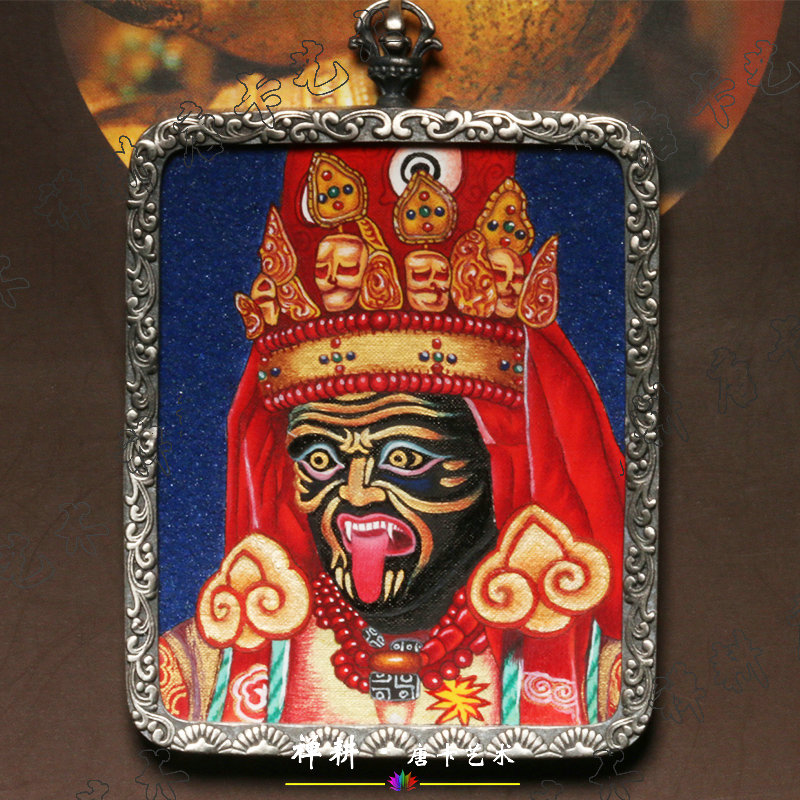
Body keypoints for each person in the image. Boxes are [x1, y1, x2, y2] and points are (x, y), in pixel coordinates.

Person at [159, 144, 624, 727]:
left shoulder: (603, 686)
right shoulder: (196, 677)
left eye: (404, 458)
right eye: (321, 460)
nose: (355, 495)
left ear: (498, 470)